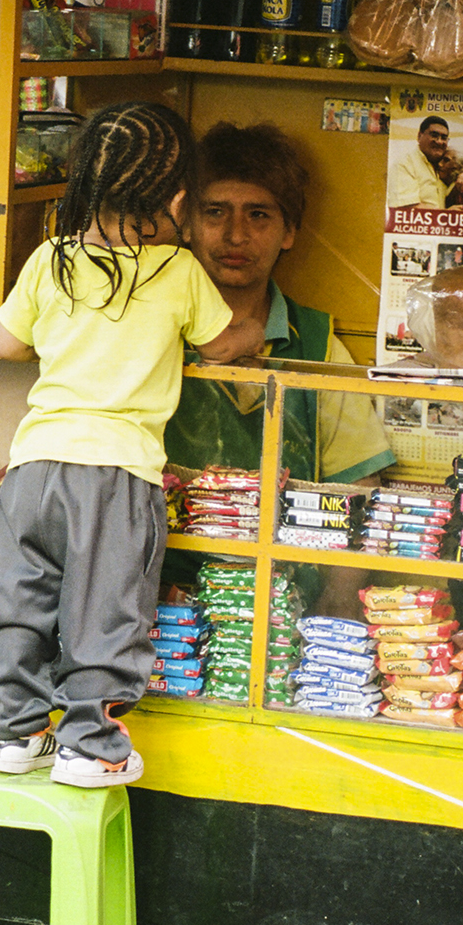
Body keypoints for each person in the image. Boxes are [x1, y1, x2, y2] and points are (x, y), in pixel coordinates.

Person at [0, 102, 264, 784]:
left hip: (34, 465)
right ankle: (90, 748)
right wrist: (252, 333)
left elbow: (4, 342)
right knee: (106, 613)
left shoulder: (53, 260)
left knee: (23, 608)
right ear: (178, 199)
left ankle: (15, 735)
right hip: (115, 474)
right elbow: (220, 345)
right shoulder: (176, 272)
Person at [164, 122, 395, 612]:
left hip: (285, 605)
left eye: (259, 215)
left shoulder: (314, 344)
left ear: (289, 232)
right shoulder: (149, 328)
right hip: (162, 602)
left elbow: (357, 487)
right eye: (214, 212)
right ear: (184, 222)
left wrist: (337, 602)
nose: (235, 234)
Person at [387, 115, 450, 209]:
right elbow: (408, 207)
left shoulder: (445, 162)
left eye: (444, 137)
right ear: (419, 136)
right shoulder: (405, 164)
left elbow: (462, 166)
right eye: (434, 135)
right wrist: (448, 215)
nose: (439, 141)